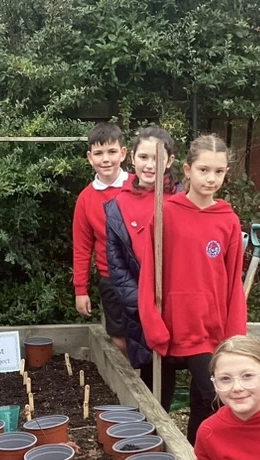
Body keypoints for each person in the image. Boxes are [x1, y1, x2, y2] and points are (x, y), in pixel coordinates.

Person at [138, 134, 247, 444]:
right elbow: (148, 276)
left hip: (207, 332)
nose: (211, 178)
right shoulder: (165, 213)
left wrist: (234, 339)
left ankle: (198, 458)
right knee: (154, 407)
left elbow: (233, 284)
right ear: (187, 170)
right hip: (168, 328)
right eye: (203, 170)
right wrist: (153, 326)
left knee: (211, 401)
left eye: (219, 171)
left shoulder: (227, 221)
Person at [105, 125, 178, 374]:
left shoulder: (183, 199)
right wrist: (141, 303)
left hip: (178, 303)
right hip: (141, 309)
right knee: (152, 372)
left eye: (157, 158)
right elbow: (116, 264)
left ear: (170, 161)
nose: (149, 165)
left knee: (196, 370)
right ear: (133, 158)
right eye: (143, 157)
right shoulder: (118, 205)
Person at [73, 122, 132, 353]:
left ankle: (146, 376)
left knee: (146, 335)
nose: (105, 159)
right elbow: (82, 248)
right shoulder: (85, 199)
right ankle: (127, 375)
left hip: (143, 276)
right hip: (110, 278)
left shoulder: (139, 187)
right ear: (90, 157)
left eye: (112, 152)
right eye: (98, 153)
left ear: (123, 153)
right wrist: (81, 290)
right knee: (118, 338)